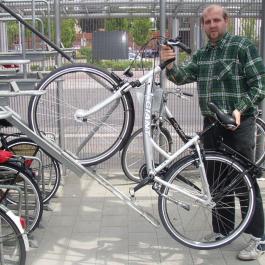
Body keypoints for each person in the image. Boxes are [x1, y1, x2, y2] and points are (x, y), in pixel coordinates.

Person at [161, 4, 265, 261]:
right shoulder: (203, 54)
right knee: (216, 181)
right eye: (207, 22)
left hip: (239, 123)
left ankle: (260, 238)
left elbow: (260, 83)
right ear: (202, 25)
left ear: (225, 21)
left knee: (243, 181)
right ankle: (223, 230)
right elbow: (182, 76)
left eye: (216, 20)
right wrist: (170, 64)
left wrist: (240, 109)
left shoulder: (241, 47)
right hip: (211, 124)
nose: (212, 25)